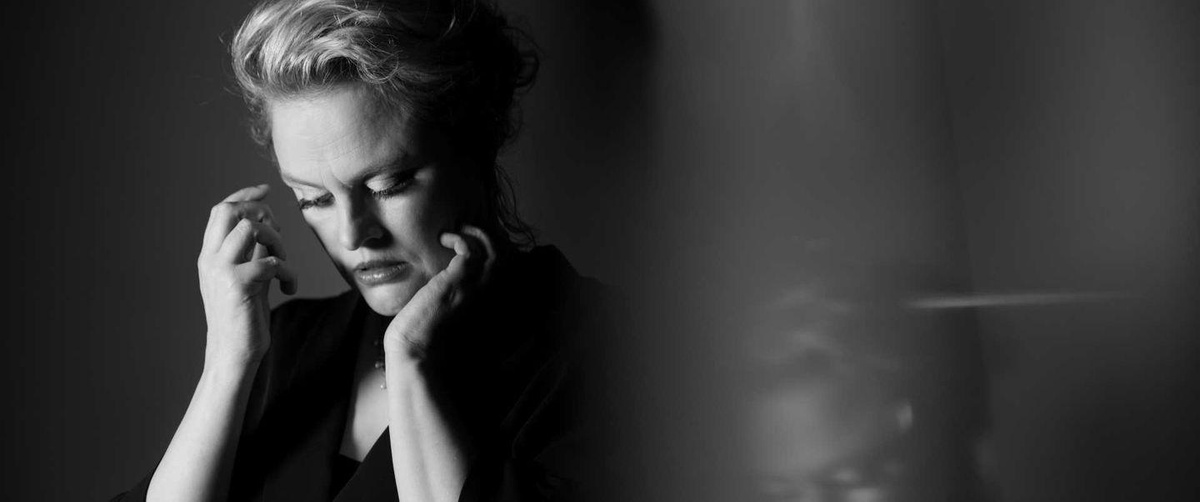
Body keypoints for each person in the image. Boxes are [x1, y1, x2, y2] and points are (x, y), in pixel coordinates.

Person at [112, 1, 616, 500]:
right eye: (314, 199)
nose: (353, 236)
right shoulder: (288, 345)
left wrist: (411, 358)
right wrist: (227, 360)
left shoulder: (604, 352)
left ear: (475, 144)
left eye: (388, 185)